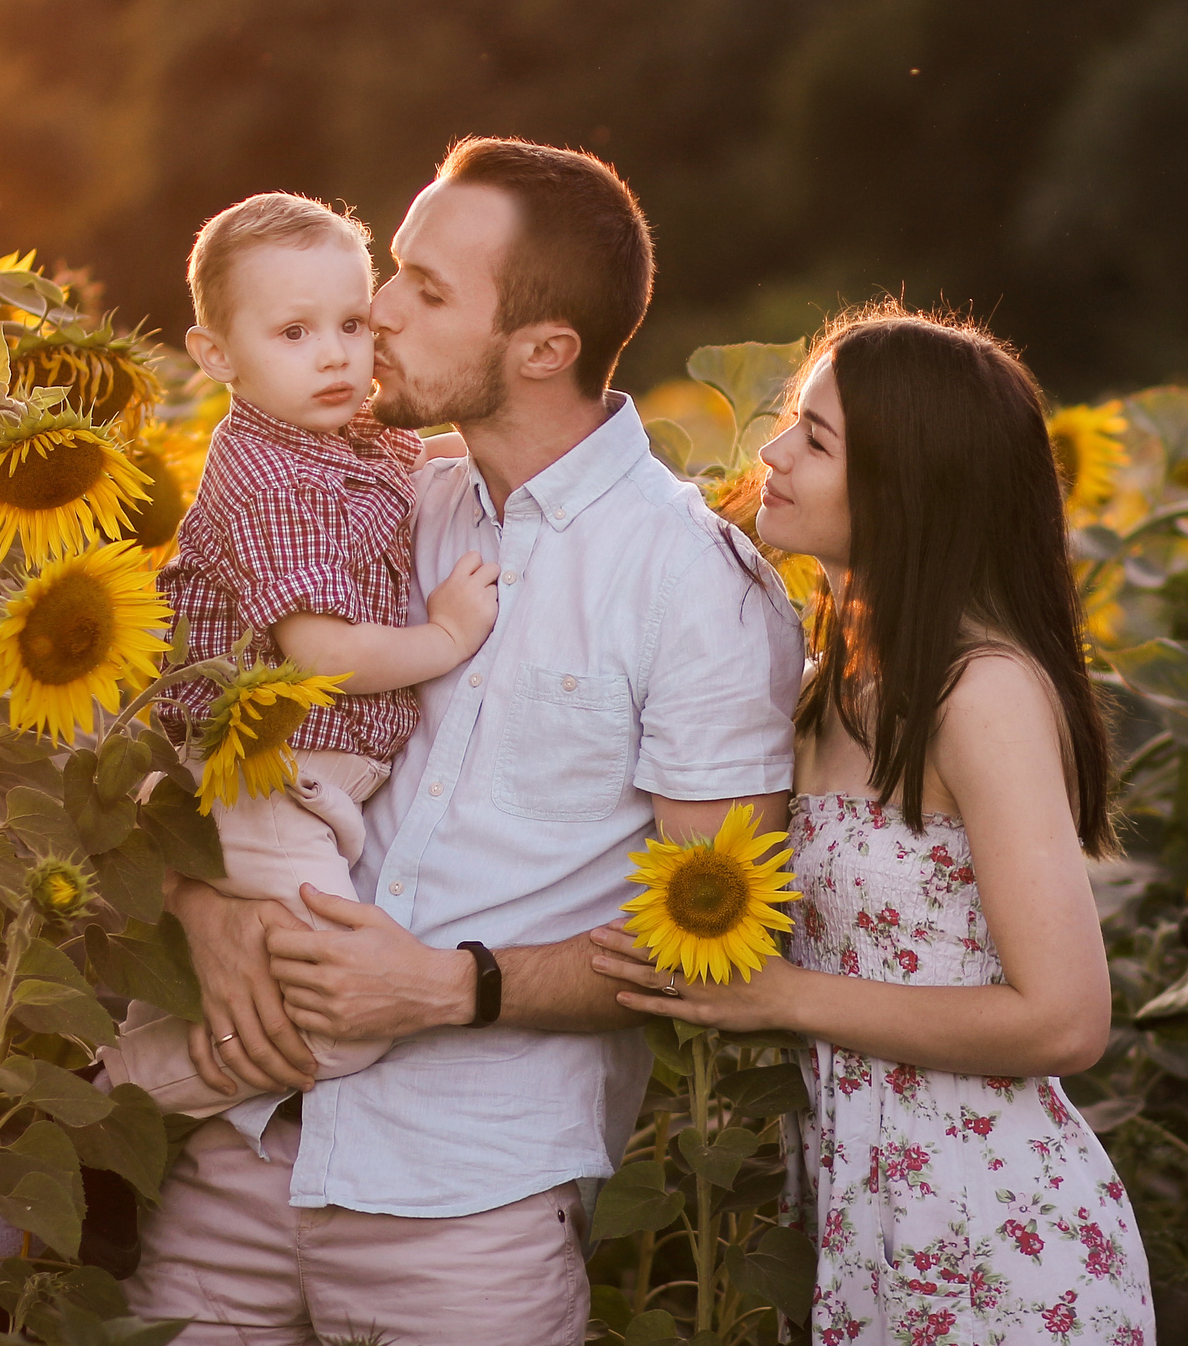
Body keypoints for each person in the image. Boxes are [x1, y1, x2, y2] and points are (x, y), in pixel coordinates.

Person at [125, 138, 806, 1344]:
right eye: (394, 268)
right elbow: (185, 726)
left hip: (464, 1206)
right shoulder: (380, 494)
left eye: (427, 292)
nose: (375, 313)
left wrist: (453, 986)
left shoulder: (698, 587)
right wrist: (199, 900)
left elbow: (709, 947)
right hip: (241, 1149)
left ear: (542, 349)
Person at [592, 308, 1156, 1342]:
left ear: (909, 483)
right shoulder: (823, 689)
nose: (772, 455)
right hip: (868, 1224)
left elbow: (1064, 1020)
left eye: (815, 438)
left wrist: (784, 998)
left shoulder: (977, 694)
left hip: (998, 1244)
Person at [99, 192, 501, 1114]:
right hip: (256, 784)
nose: (334, 355)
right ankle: (101, 1096)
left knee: (268, 977)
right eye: (293, 332)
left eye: (352, 323)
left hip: (310, 786)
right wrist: (445, 636)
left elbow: (427, 455)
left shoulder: (340, 433)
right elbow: (319, 653)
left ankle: (120, 1108)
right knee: (341, 1019)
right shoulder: (270, 479)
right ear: (216, 356)